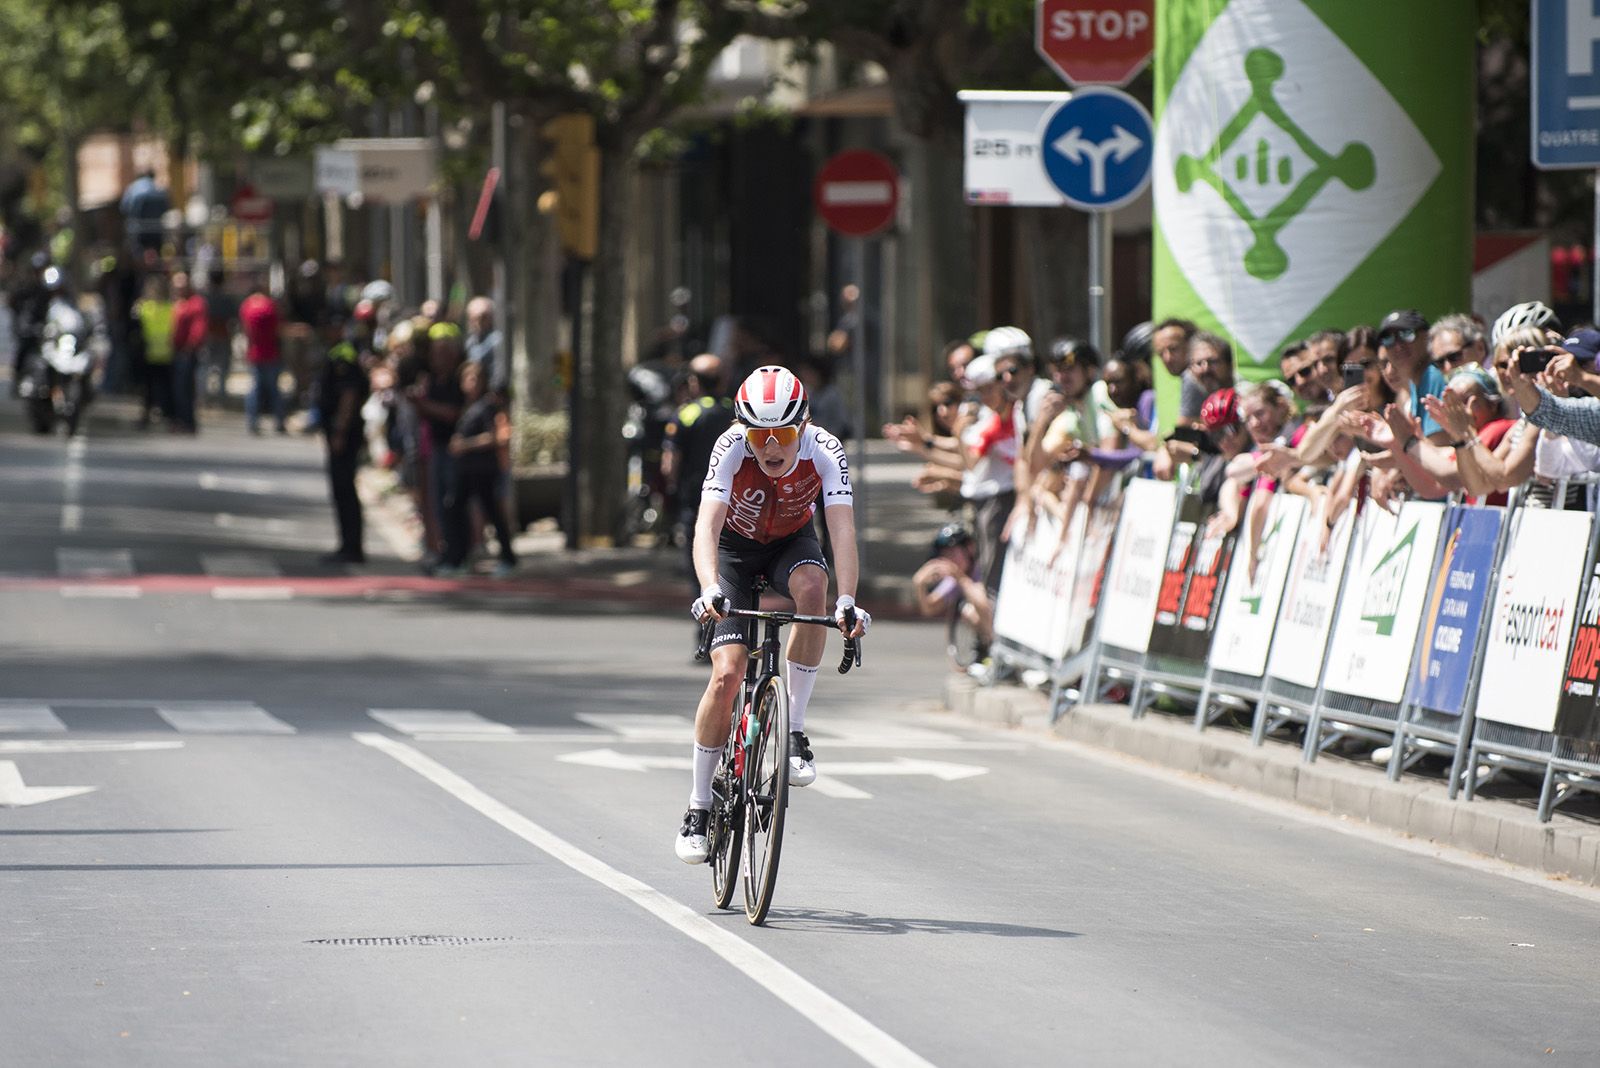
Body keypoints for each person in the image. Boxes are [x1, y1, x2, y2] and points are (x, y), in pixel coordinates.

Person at [677, 365, 870, 864]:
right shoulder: (730, 447)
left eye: (782, 433)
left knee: (815, 586)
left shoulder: (826, 450)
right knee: (727, 674)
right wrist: (709, 588)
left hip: (790, 544)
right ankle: (698, 808)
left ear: (802, 425)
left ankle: (796, 732)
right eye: (758, 434)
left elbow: (841, 531)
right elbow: (706, 526)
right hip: (733, 553)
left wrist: (848, 598)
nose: (770, 446)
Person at [663, 354, 736, 587]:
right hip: (734, 500)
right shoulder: (736, 413)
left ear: (695, 382)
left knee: (700, 553)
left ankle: (705, 611)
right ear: (722, 380)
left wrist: (671, 488)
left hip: (696, 498)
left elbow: (670, 462)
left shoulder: (686, 414)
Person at [442, 361, 518, 577]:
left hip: (482, 468)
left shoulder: (486, 406)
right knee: (456, 508)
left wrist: (465, 445)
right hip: (467, 469)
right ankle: (458, 558)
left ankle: (507, 558)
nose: (470, 383)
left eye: (475, 378)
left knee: (490, 511)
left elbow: (495, 437)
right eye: (467, 378)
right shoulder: (468, 405)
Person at [913, 523, 993, 659]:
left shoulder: (982, 569)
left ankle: (991, 648)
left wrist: (961, 579)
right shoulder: (955, 577)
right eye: (945, 555)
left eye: (952, 553)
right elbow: (929, 609)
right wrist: (919, 584)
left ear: (970, 548)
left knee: (970, 611)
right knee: (967, 611)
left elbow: (985, 606)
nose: (949, 560)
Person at [239, 278, 286, 435]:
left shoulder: (247, 306)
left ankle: (252, 421)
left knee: (255, 388)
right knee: (274, 389)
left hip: (255, 352)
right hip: (271, 351)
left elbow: (246, 329)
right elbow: (277, 328)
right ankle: (279, 421)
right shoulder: (270, 305)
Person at [135, 275, 175, 430]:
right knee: (148, 388)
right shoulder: (144, 308)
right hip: (148, 353)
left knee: (165, 387)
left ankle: (167, 414)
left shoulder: (170, 308)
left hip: (166, 354)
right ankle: (147, 414)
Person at [169, 272, 207, 433]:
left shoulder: (195, 303)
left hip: (186, 352)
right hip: (172, 351)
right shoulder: (175, 303)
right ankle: (179, 419)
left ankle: (187, 421)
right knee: (177, 388)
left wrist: (190, 347)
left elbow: (199, 328)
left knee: (184, 388)